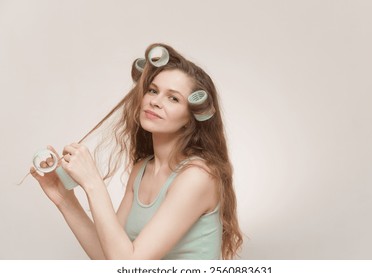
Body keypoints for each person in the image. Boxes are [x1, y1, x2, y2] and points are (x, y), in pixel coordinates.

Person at [30, 43, 242, 259]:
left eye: (173, 98)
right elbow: (109, 258)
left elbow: (127, 266)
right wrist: (65, 199)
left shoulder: (198, 177)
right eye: (152, 90)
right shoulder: (142, 170)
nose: (155, 101)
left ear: (191, 119)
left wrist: (92, 183)